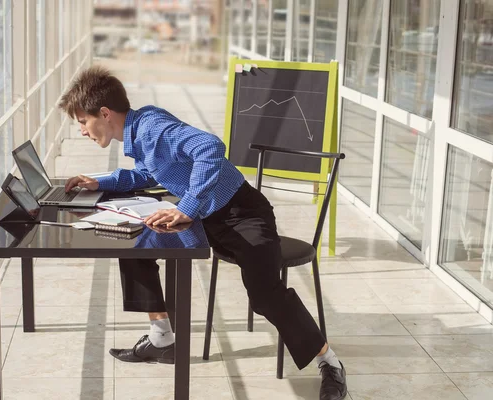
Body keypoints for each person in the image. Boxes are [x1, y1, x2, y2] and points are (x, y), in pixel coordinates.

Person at [59, 66, 347, 400]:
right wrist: (101, 182)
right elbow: (145, 174)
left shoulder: (152, 127)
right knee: (134, 244)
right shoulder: (138, 130)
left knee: (264, 294)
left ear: (105, 113)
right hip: (207, 219)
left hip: (244, 215)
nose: (82, 130)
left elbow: (210, 147)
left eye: (82, 121)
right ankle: (161, 338)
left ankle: (330, 362)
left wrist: (187, 206)